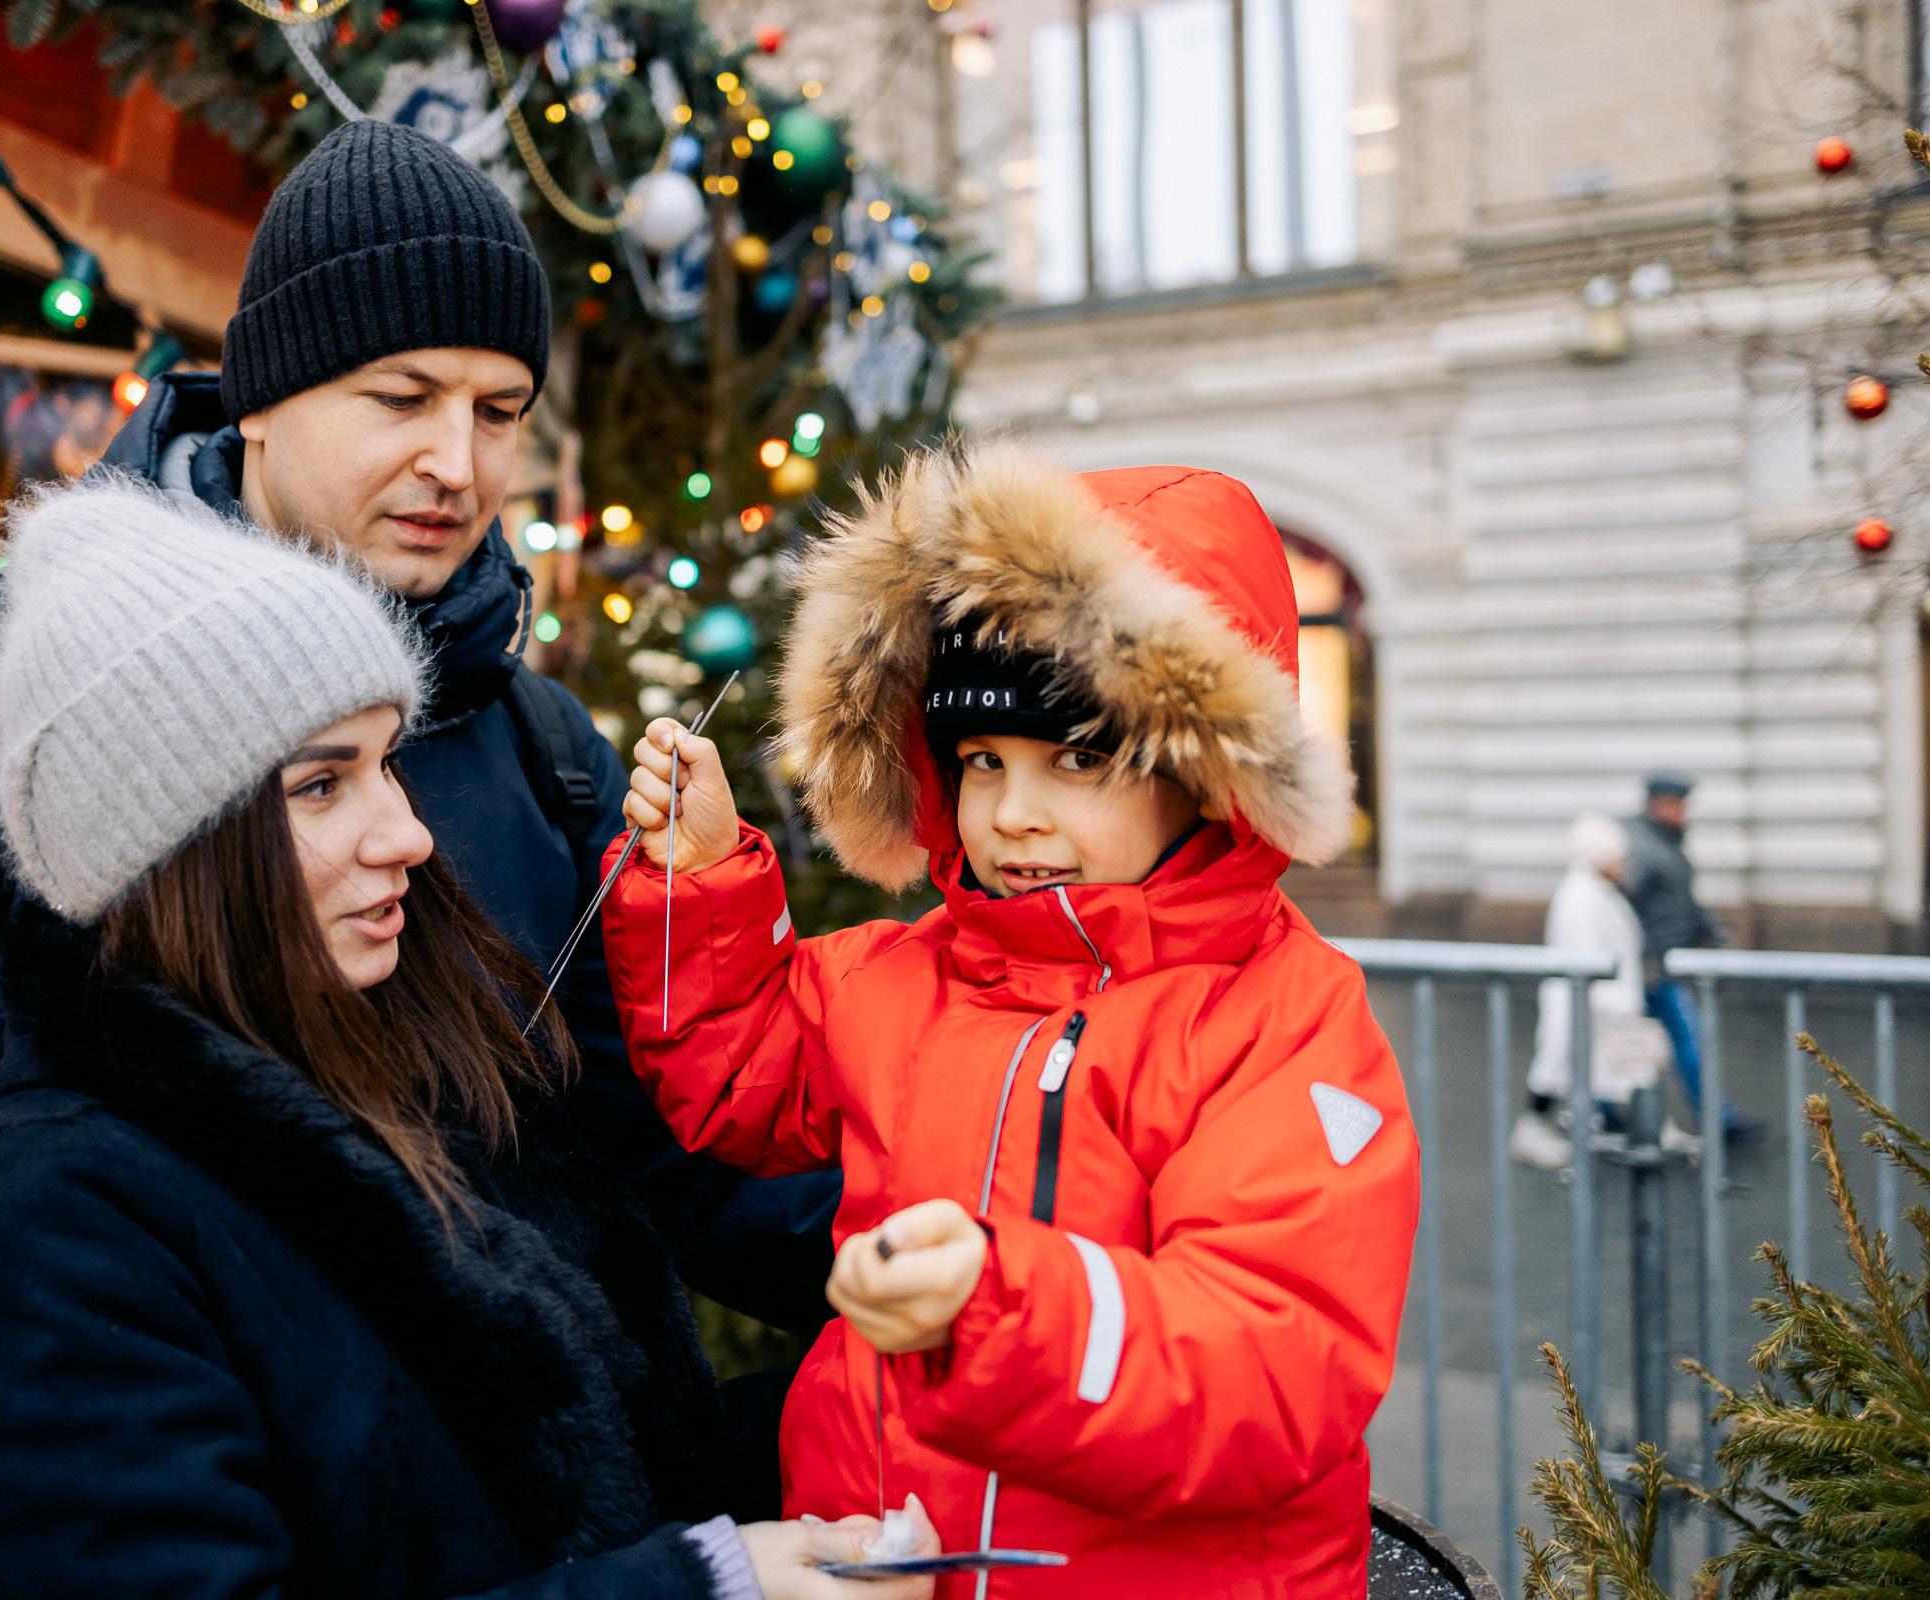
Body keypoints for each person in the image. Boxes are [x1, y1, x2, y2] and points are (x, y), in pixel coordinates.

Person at [0, 119, 834, 1600]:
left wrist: (1018, 1261)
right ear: (263, 395)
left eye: (500, 409)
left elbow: (662, 1141)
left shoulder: (534, 744)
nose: (457, 462)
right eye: (402, 395)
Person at [0, 476, 913, 1600]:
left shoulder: (417, 1064)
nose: (409, 834)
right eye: (322, 784)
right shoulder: (44, 1219)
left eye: (388, 764)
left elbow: (587, 1481)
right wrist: (709, 1583)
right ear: (173, 842)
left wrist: (887, 1428)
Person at [598, 445, 1420, 1597]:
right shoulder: (911, 972)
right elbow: (736, 1077)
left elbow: (1273, 1359)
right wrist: (699, 884)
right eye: (982, 761)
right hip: (889, 1556)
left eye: (1080, 759)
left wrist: (997, 1309)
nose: (1016, 814)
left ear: (1202, 770)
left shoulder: (1278, 1020)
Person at [1508, 812, 1682, 1170]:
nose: (1624, 863)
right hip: (1592, 1002)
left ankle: (1648, 1130)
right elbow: (1590, 958)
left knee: (1620, 1067)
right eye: (1617, 856)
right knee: (1565, 1067)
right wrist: (1623, 1001)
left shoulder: (1595, 888)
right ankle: (1535, 1131)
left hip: (1600, 1001)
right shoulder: (1582, 897)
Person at [1621, 772, 1753, 1138]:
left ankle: (1611, 1113)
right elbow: (1622, 910)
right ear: (1658, 804)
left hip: (1660, 967)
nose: (1685, 812)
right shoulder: (1643, 848)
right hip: (1653, 970)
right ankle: (1716, 1119)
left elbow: (1680, 901)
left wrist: (1711, 932)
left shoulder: (1664, 842)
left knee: (1632, 1043)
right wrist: (1640, 958)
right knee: (1680, 1041)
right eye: (1678, 804)